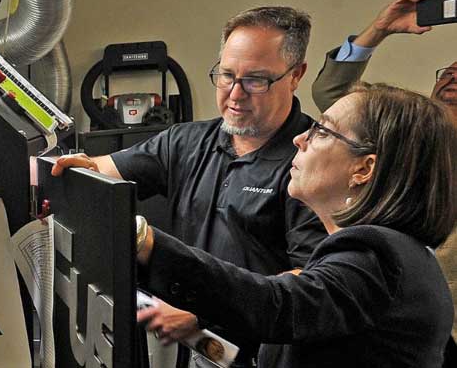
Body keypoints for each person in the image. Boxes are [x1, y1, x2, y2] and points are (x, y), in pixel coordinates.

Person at [52, 6, 327, 367]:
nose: (235, 94)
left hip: (263, 354)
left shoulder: (310, 162)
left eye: (256, 80)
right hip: (199, 353)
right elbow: (100, 175)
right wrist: (71, 174)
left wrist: (201, 314)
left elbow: (308, 281)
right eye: (226, 75)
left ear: (295, 76)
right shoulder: (186, 142)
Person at [137, 83, 457, 368]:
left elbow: (277, 307)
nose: (299, 138)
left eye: (321, 131)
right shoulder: (380, 257)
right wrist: (206, 341)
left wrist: (145, 241)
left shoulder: (378, 256)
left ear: (364, 167)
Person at [311, 0, 457, 366]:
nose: (452, 79)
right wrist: (380, 29)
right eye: (448, 74)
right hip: (384, 318)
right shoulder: (409, 138)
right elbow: (334, 96)